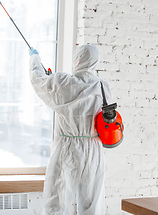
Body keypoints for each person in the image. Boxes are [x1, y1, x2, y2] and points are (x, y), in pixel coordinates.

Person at [28, 44, 112, 214]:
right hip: (94, 148)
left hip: (67, 147)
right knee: (92, 206)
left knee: (57, 201)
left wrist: (35, 59)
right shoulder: (103, 86)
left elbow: (38, 80)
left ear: (77, 60)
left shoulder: (62, 82)